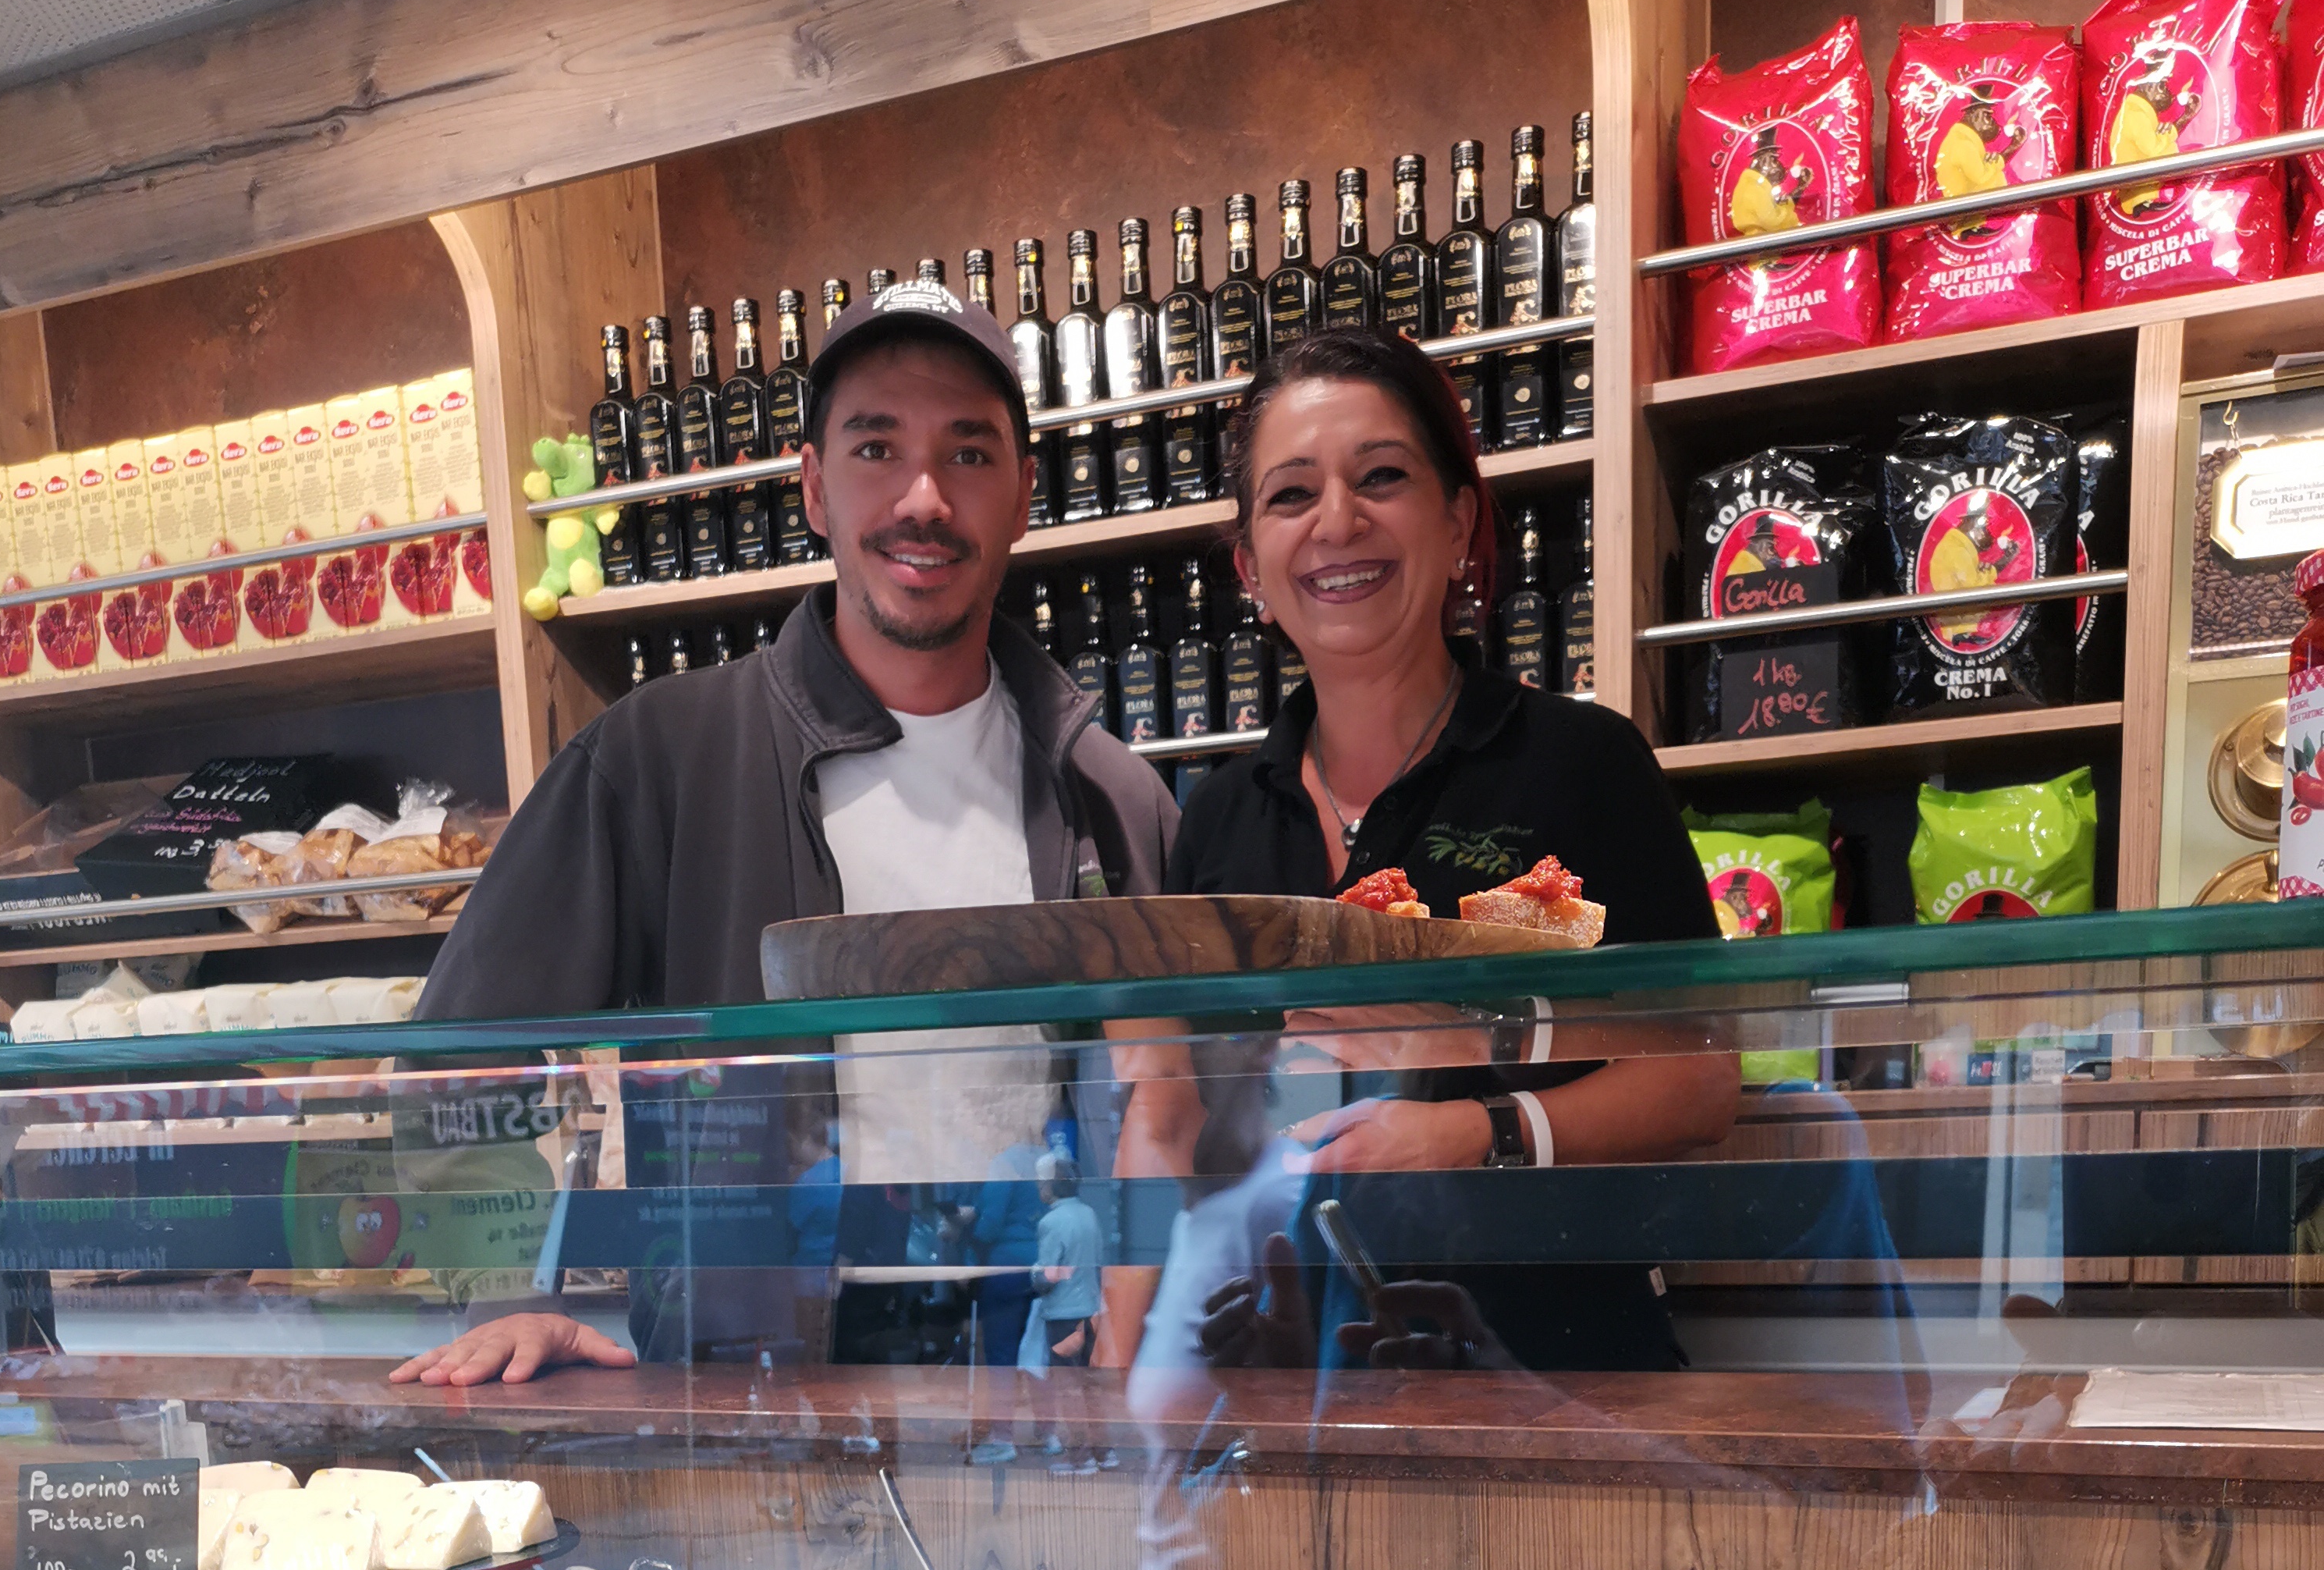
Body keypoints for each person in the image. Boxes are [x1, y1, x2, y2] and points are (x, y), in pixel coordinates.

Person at [392, 278, 1174, 1389]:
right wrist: (509, 1290)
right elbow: (457, 1056)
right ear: (812, 486)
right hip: (754, 1390)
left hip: (1043, 1375)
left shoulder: (1110, 795)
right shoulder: (660, 756)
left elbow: (1190, 1108)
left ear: (1022, 496)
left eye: (968, 453)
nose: (923, 498)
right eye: (875, 448)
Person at [1117, 321, 1737, 1375]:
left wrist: (1475, 1132)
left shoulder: (1579, 762)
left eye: (1382, 476)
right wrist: (1120, 1361)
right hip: (1284, 1382)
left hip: (1556, 1376)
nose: (1338, 521)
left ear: (1458, 521)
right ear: (1250, 567)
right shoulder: (1217, 817)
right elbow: (1169, 1116)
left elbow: (1702, 1076)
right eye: (1291, 493)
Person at [1028, 1153, 1105, 1366]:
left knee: (1063, 1375)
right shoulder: (1090, 1214)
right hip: (1090, 1310)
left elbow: (1047, 1278)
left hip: (1062, 1315)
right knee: (1084, 1373)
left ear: (1050, 1186)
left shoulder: (1051, 1222)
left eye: (1041, 1183)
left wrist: (1034, 1274)